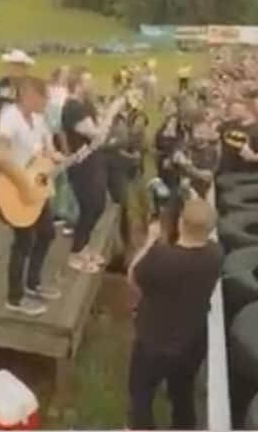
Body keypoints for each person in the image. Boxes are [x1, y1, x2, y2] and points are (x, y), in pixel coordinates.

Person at [128, 197, 223, 430]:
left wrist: (151, 240)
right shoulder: (216, 254)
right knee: (183, 395)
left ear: (180, 222)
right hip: (192, 342)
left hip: (153, 344)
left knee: (141, 396)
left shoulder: (161, 259)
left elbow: (133, 277)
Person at [0, 75, 62, 316]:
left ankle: (33, 283)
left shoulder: (39, 119)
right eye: (44, 97)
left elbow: (47, 148)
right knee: (23, 241)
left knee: (46, 233)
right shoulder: (10, 118)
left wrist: (56, 157)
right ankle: (15, 298)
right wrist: (23, 182)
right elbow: (0, 155)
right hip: (15, 189)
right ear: (29, 95)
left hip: (36, 187)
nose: (47, 102)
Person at [62, 67, 112, 274]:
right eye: (88, 81)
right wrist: (112, 112)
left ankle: (84, 247)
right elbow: (98, 136)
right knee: (90, 207)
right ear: (78, 85)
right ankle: (75, 253)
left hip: (94, 162)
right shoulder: (73, 108)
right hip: (82, 165)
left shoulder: (85, 105)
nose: (92, 85)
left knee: (98, 205)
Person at [45, 67, 78, 233]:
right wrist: (65, 147)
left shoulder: (49, 92)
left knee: (55, 177)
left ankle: (54, 212)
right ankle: (65, 216)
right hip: (59, 138)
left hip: (49, 138)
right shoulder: (60, 94)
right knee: (66, 178)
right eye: (65, 75)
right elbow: (60, 124)